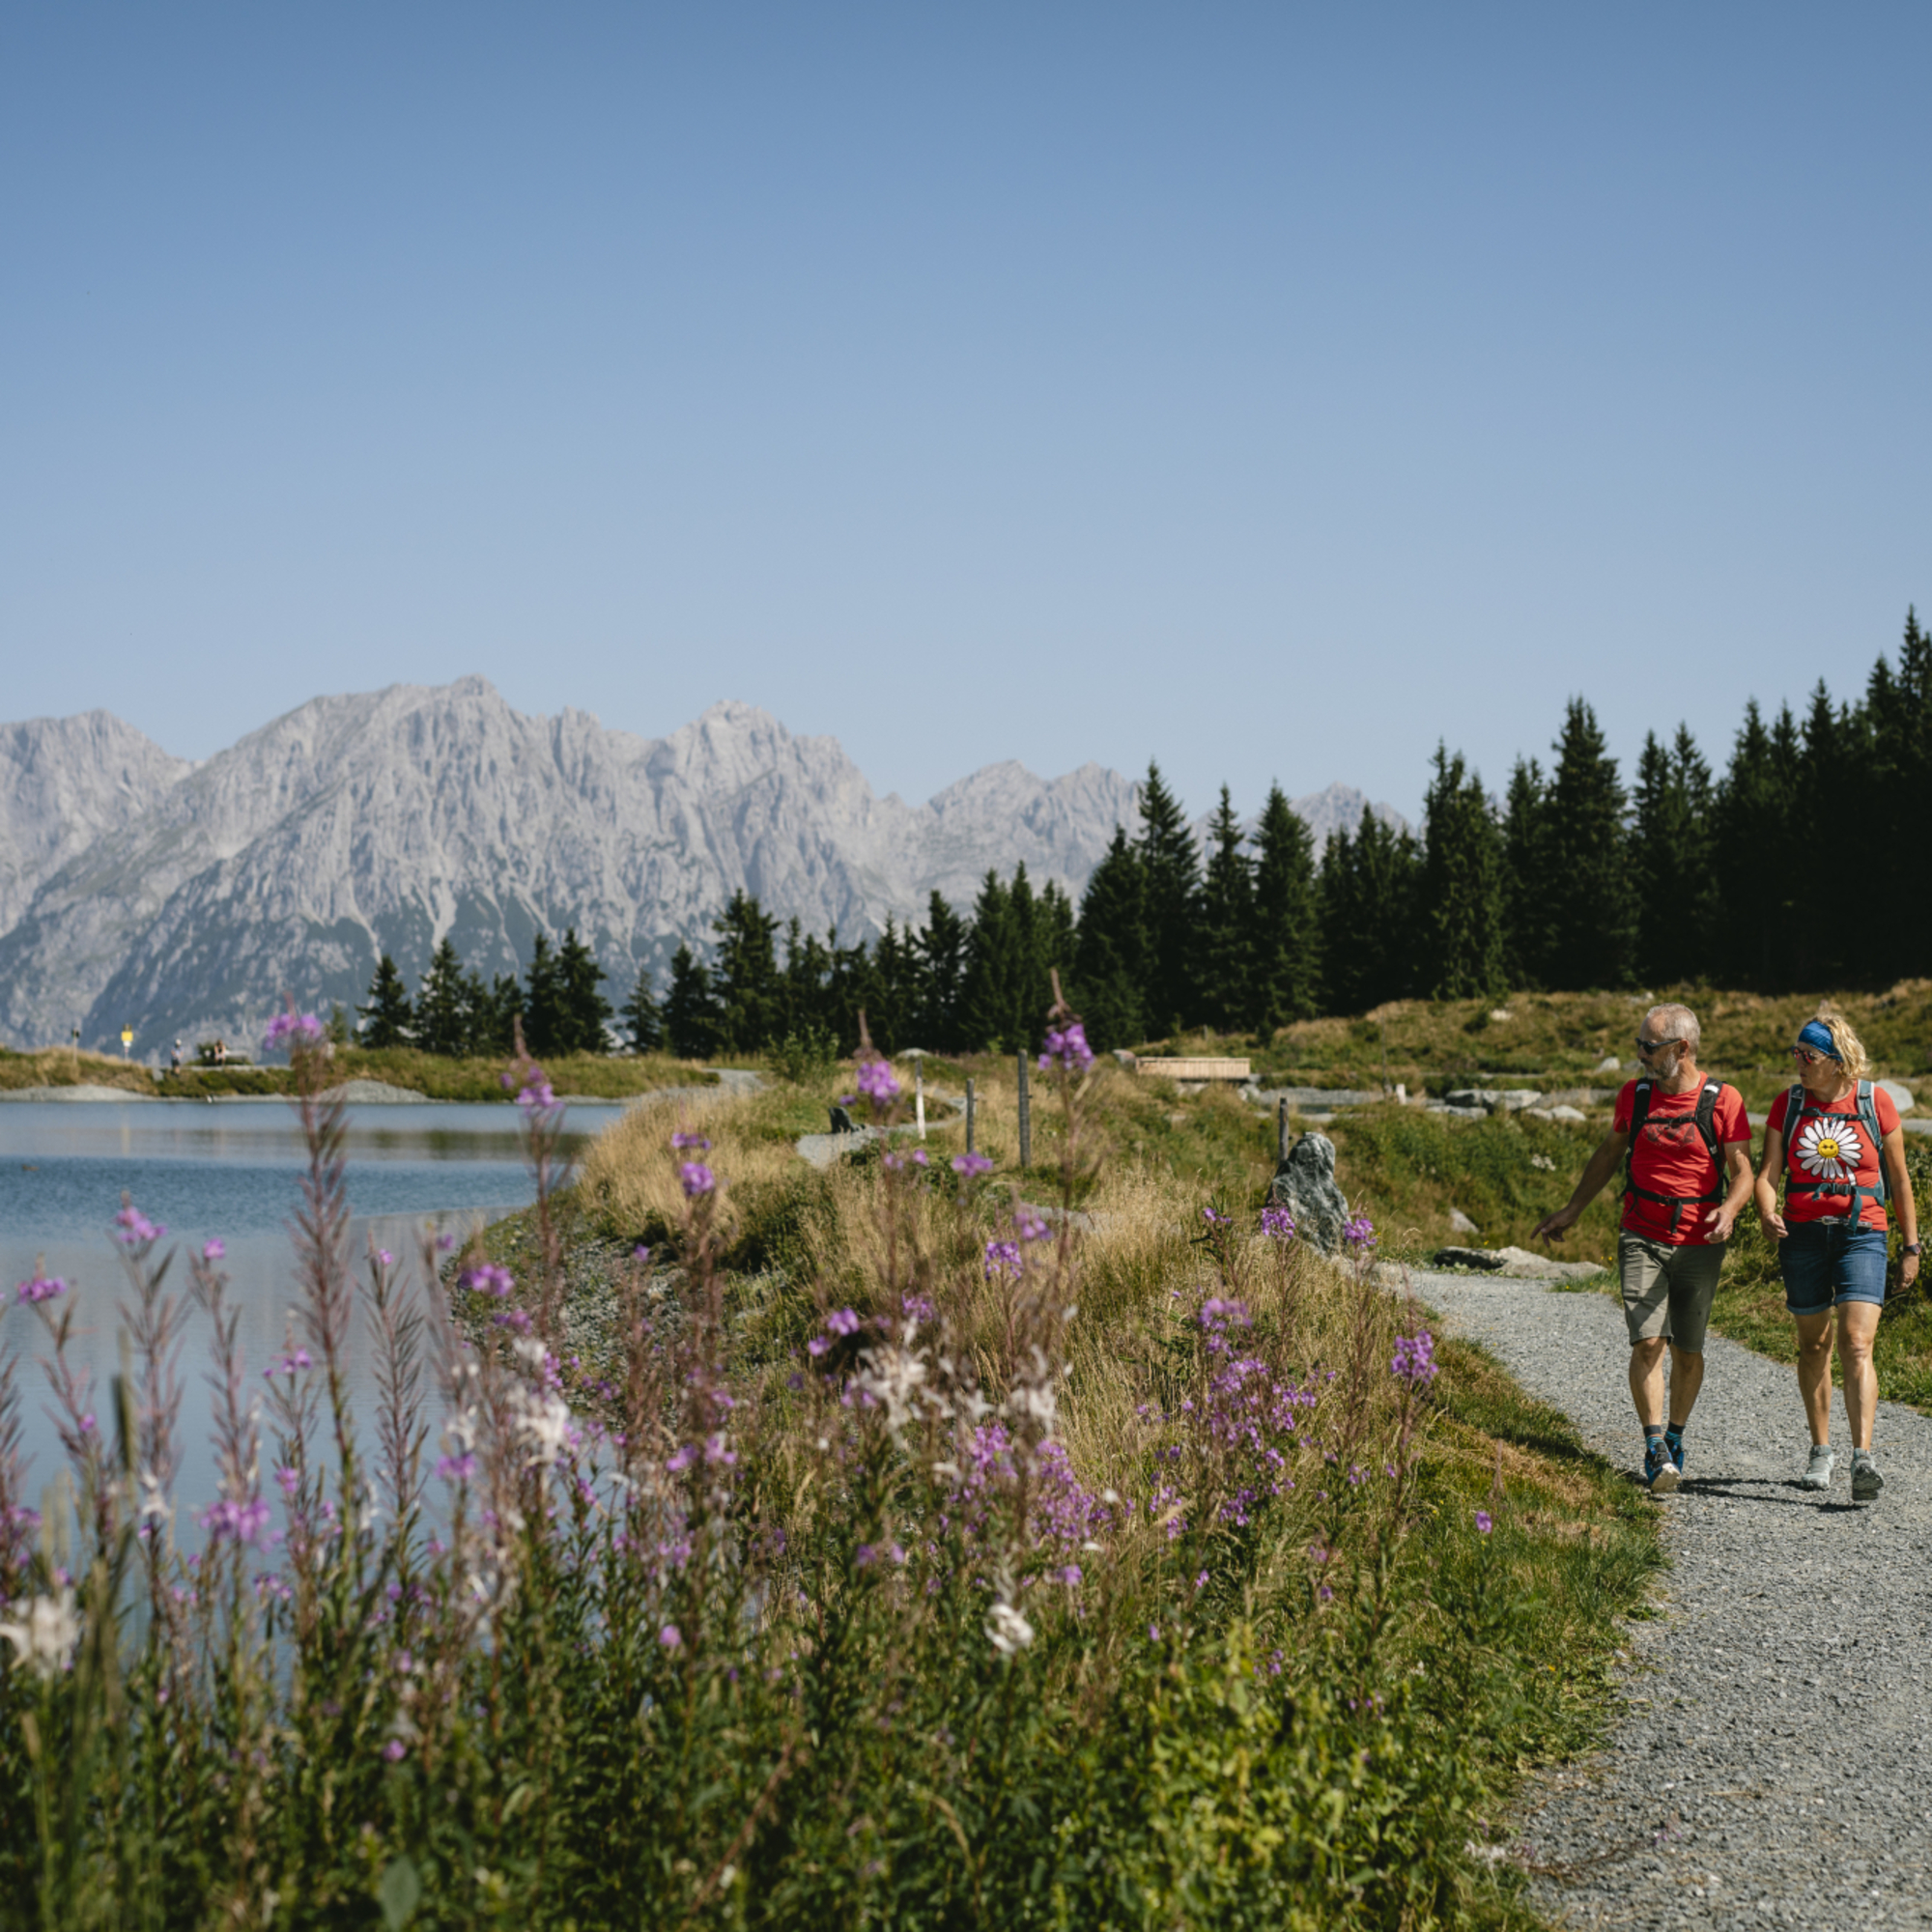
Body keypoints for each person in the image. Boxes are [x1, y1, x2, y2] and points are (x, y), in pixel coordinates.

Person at [1532, 1002, 1753, 1492]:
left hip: (1700, 1240)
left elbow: (1743, 1171)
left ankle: (1676, 1435)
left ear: (1682, 1048)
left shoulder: (1724, 1100)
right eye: (1639, 1044)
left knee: (1689, 1351)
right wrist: (1572, 1210)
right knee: (1650, 1341)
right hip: (1641, 1234)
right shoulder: (1634, 1096)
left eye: (1648, 1047)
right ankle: (1654, 1446)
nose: (1640, 1055)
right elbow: (1610, 1153)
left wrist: (1731, 1210)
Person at [1754, 1014, 1918, 1502]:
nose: (1800, 1064)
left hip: (1862, 1233)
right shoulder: (1789, 1104)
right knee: (1813, 1346)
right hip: (1801, 1236)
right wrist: (1766, 1211)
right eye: (1797, 1054)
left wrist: (1911, 1247)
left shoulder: (1874, 1101)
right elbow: (1767, 1174)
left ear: (1838, 1060)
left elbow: (1901, 1180)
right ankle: (1821, 1449)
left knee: (1856, 1342)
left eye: (1810, 1056)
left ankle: (1862, 1457)